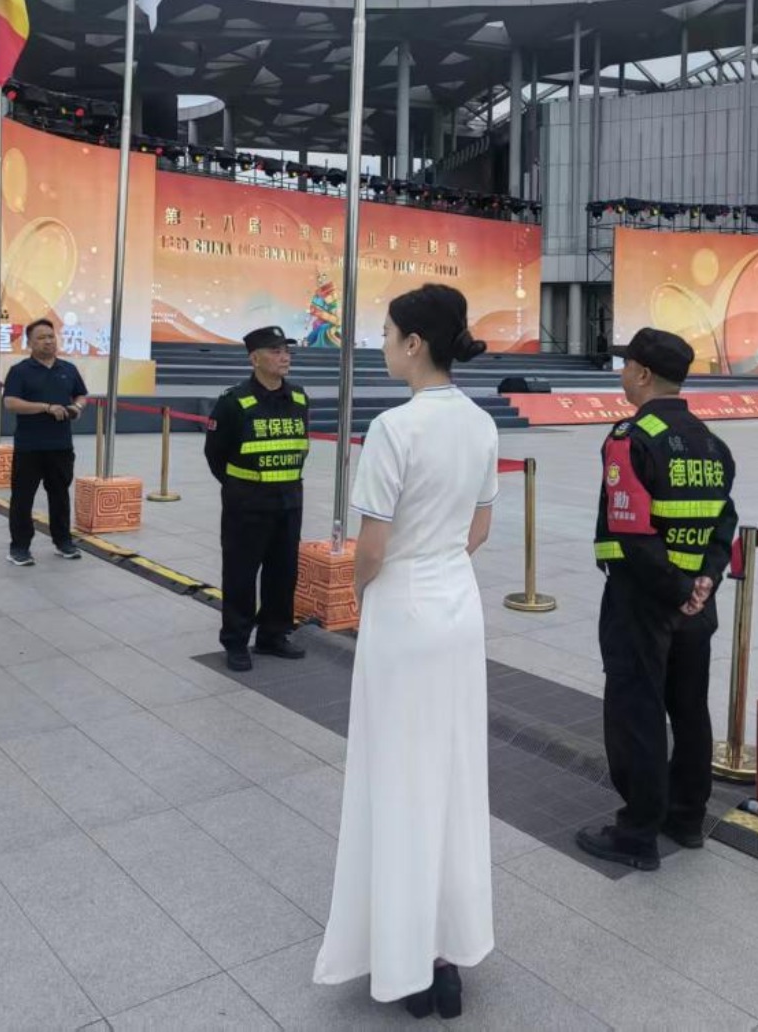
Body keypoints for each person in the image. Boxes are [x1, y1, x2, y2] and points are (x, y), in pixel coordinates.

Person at [314, 284, 498, 1020]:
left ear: (415, 343)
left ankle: (405, 959)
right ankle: (448, 951)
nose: (384, 344)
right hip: (458, 609)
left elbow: (371, 549)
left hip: (402, 613)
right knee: (453, 777)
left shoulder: (393, 428)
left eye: (389, 333)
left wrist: (366, 595)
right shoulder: (481, 424)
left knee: (396, 779)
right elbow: (479, 530)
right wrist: (440, 564)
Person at [578, 327, 737, 872]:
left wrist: (675, 589)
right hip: (697, 603)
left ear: (643, 374)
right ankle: (687, 818)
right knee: (689, 709)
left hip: (643, 601)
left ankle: (637, 832)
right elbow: (725, 523)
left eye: (627, 365)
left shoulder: (631, 438)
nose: (623, 373)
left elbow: (630, 532)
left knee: (637, 708)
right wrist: (703, 581)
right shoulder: (711, 444)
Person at [204, 325, 310, 672]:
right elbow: (215, 455)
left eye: (286, 351)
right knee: (241, 574)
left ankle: (273, 635)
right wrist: (240, 487)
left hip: (289, 502)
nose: (285, 357)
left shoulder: (299, 398)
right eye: (276, 351)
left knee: (283, 572)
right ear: (255, 359)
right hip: (247, 504)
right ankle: (236, 641)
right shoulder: (234, 402)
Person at [2, 318, 88, 565]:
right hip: (29, 447)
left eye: (51, 336)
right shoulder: (20, 371)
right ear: (30, 343)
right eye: (41, 338)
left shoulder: (68, 369)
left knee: (60, 495)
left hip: (61, 446)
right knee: (22, 498)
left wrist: (77, 407)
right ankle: (19, 548)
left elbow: (81, 395)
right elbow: (10, 403)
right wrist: (46, 407)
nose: (48, 341)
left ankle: (63, 542)